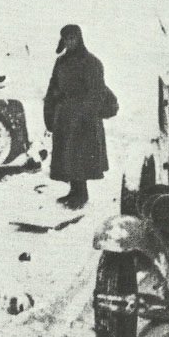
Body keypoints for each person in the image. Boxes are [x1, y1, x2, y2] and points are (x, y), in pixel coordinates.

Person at [43, 24, 110, 209]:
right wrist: (49, 110)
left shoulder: (91, 62)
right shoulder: (61, 62)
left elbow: (97, 92)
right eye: (66, 39)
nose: (69, 42)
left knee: (79, 156)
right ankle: (73, 191)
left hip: (84, 117)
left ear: (79, 39)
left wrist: (85, 114)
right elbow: (53, 86)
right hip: (64, 115)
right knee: (67, 155)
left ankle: (81, 195)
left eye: (72, 38)